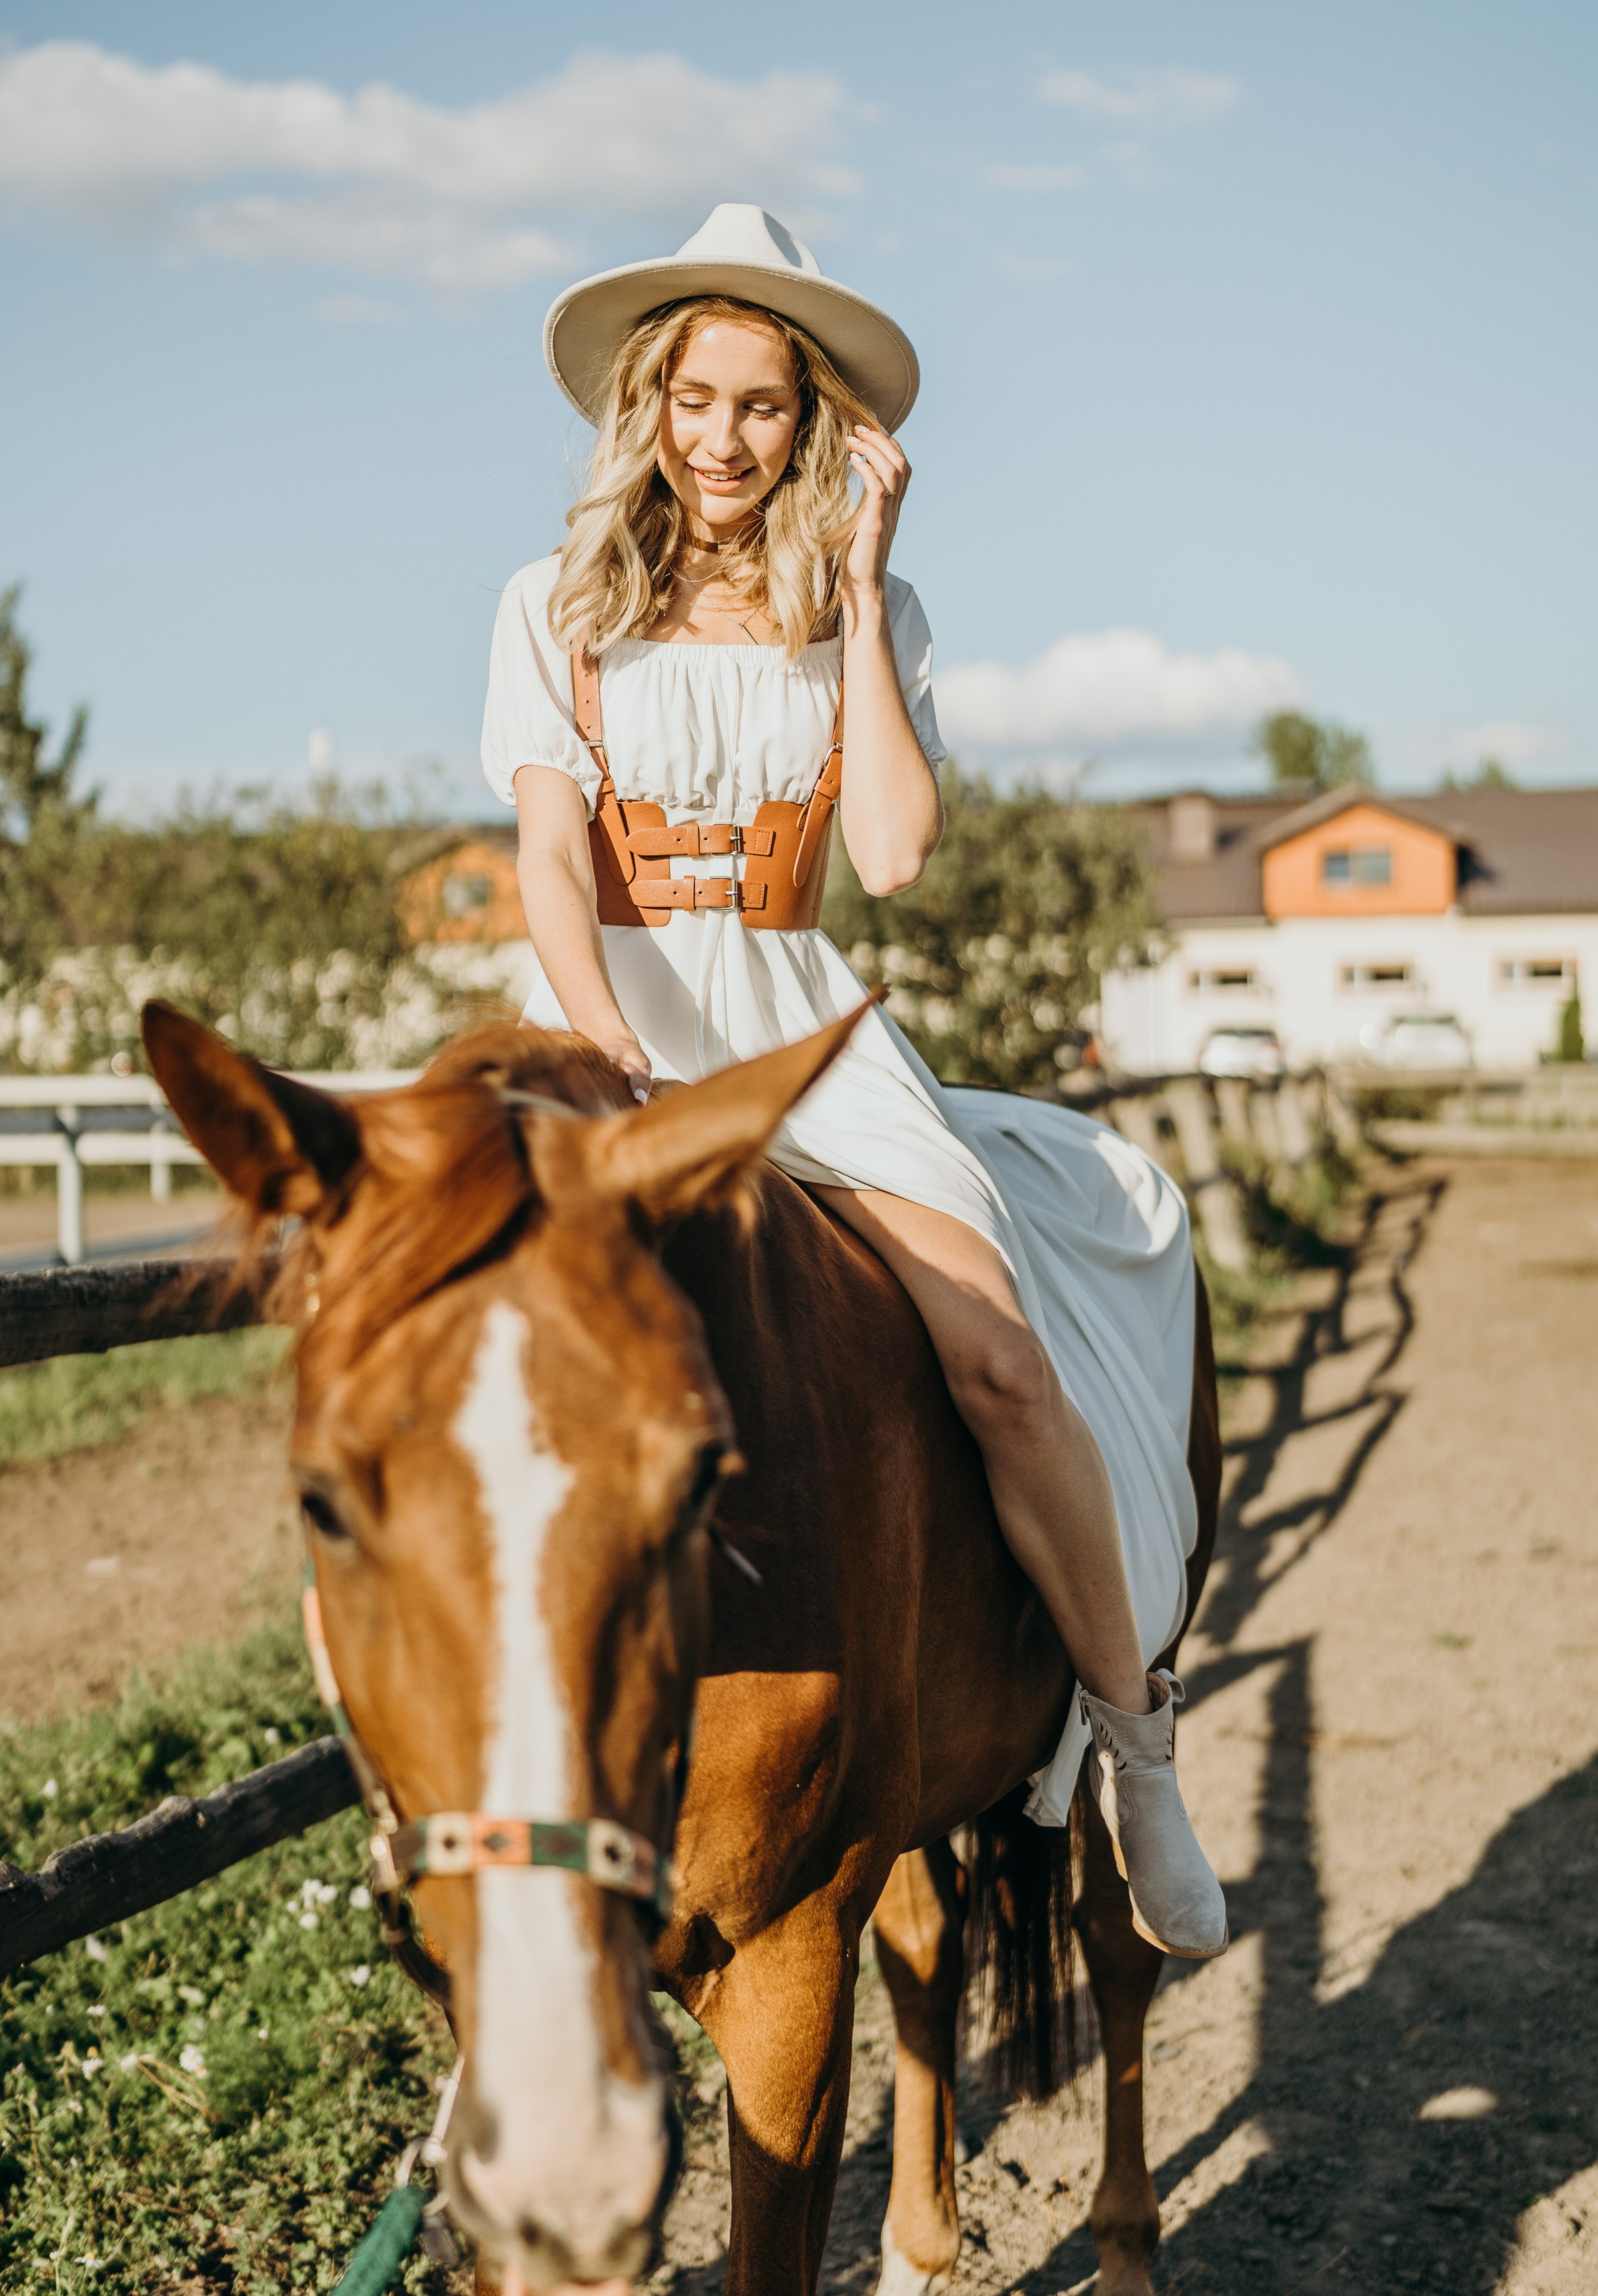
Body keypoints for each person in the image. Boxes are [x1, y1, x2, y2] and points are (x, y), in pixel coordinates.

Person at [481, 204, 1226, 1957]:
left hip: (804, 1021)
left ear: (809, 420)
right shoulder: (551, 601)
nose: (724, 439)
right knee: (458, 1367)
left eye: (761, 405)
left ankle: (1137, 1751)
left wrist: (874, 583)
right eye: (695, 398)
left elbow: (888, 855)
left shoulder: (865, 605)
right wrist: (608, 1039)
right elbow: (539, 855)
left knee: (1000, 1358)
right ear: (646, 406)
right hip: (610, 1019)